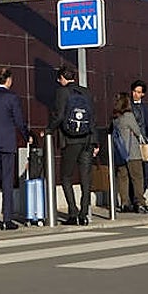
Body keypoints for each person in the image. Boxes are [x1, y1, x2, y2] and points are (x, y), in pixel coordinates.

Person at [44, 65, 98, 225]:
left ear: (62, 78)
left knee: (66, 176)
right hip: (87, 140)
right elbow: (93, 117)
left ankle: (73, 214)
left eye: (59, 78)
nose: (58, 81)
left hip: (70, 140)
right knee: (85, 178)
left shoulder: (62, 92)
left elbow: (60, 116)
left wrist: (48, 130)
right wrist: (95, 141)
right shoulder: (86, 92)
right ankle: (84, 215)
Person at [0, 67, 32, 230]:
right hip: (7, 144)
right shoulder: (11, 97)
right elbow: (18, 120)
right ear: (8, 80)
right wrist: (26, 135)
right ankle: (7, 218)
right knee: (7, 181)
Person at [112, 91, 148, 213]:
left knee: (123, 178)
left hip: (120, 153)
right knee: (137, 178)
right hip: (132, 153)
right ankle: (140, 202)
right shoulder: (129, 116)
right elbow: (137, 131)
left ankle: (125, 203)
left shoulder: (115, 118)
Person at [129, 78, 148, 207]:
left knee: (146, 170)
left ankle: (139, 196)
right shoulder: (128, 105)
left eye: (139, 92)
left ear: (143, 94)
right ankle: (135, 199)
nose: (136, 94)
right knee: (134, 172)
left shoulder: (145, 108)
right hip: (132, 142)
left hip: (144, 142)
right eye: (134, 91)